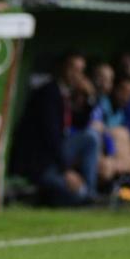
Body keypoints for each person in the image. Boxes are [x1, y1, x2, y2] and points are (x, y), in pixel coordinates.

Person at [10, 52, 101, 206]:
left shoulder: (65, 94)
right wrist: (67, 171)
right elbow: (50, 138)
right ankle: (70, 195)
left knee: (91, 136)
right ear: (62, 68)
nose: (77, 75)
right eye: (73, 69)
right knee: (79, 194)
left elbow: (79, 123)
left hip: (54, 159)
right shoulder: (49, 93)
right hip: (39, 162)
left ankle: (90, 193)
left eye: (80, 71)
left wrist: (88, 97)